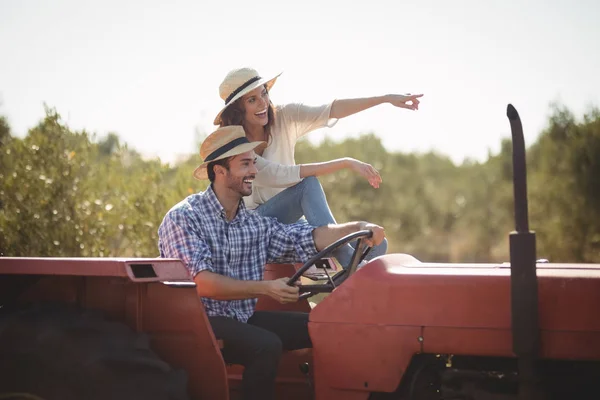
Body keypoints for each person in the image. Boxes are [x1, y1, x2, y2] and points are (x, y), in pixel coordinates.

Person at [157, 125, 386, 400]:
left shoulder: (253, 223)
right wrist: (266, 288)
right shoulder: (184, 217)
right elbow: (201, 283)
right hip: (197, 321)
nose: (254, 171)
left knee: (322, 327)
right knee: (266, 345)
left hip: (241, 317)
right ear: (219, 171)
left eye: (253, 162)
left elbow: (306, 237)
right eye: (245, 164)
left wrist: (355, 227)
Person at [215, 67, 422, 267]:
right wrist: (346, 162)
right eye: (252, 100)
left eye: (264, 93)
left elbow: (332, 109)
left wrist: (385, 98)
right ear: (238, 110)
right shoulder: (236, 146)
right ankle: (349, 261)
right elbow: (281, 175)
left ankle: (346, 286)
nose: (263, 103)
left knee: (374, 244)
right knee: (308, 185)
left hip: (291, 223)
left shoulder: (283, 117)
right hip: (256, 224)